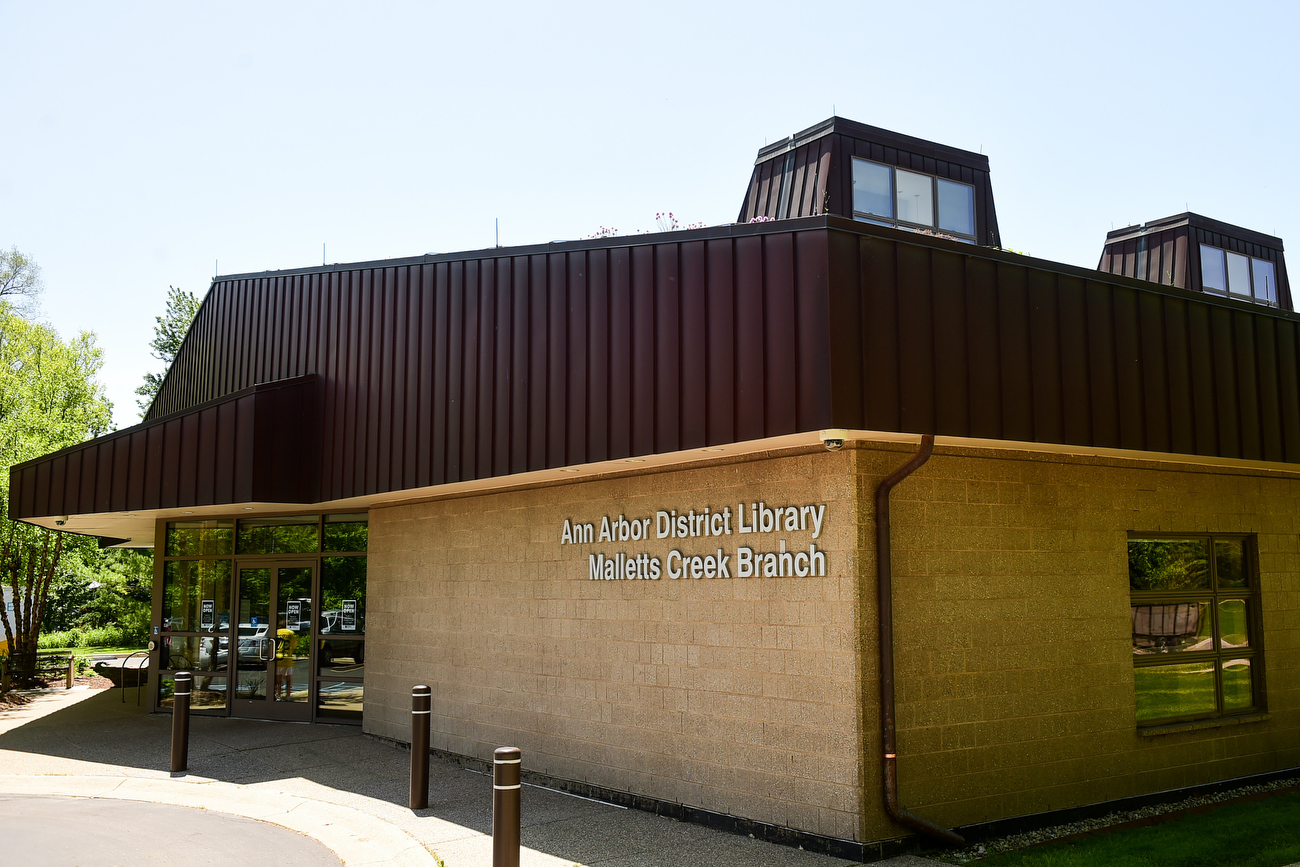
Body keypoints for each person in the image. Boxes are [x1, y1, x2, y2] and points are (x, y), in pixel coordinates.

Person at [275, 617, 297, 699]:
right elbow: (294, 645)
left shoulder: (276, 632)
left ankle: (278, 695)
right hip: (287, 658)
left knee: (278, 680)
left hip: (277, 658)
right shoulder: (291, 633)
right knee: (288, 680)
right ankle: (288, 696)